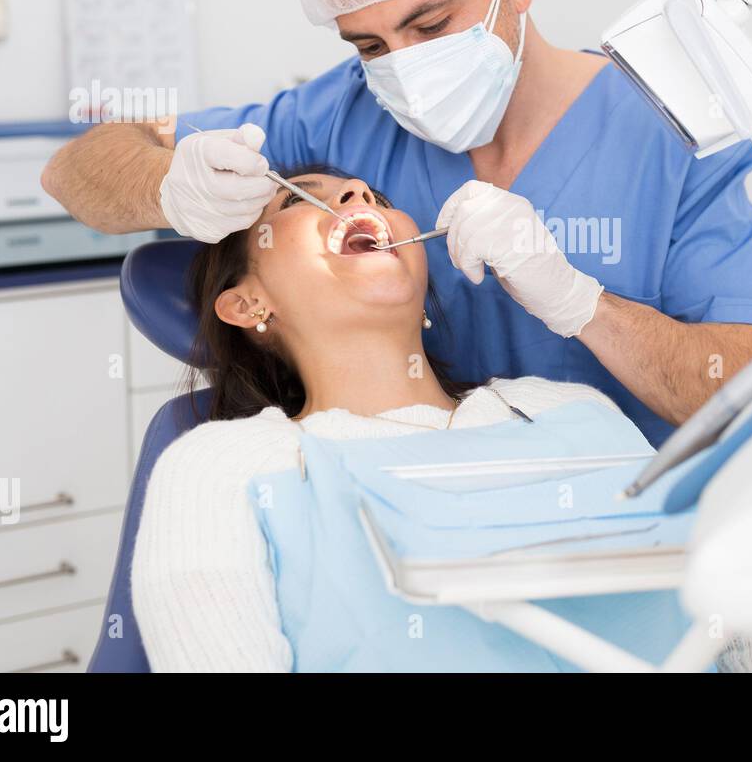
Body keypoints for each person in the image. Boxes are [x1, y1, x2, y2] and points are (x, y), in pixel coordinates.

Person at [42, 0, 752, 445]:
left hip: (627, 533)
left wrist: (581, 305)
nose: (405, 68)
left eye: (432, 24)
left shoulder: (670, 128)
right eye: (368, 45)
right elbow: (74, 172)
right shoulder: (336, 114)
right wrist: (165, 185)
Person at [130, 170, 702, 671]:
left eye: (376, 196)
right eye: (298, 200)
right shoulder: (224, 468)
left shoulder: (570, 409)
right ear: (248, 304)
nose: (358, 193)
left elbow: (733, 605)